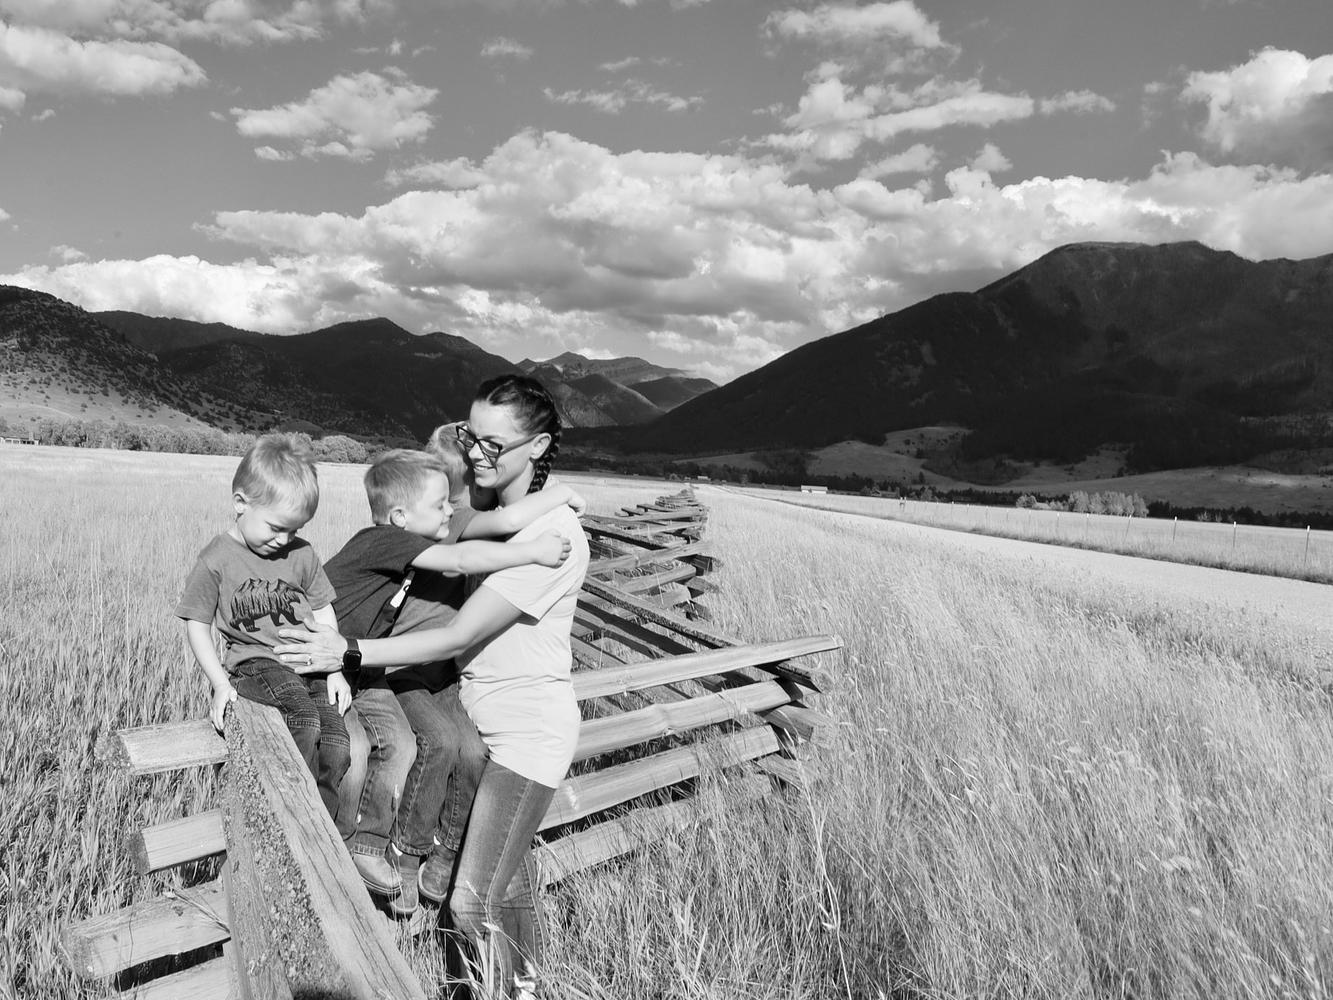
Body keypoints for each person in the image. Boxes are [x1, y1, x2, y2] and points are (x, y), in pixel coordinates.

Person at [276, 374, 589, 998]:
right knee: (506, 880)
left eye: (493, 443)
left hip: (523, 734)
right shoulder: (490, 519)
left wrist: (350, 651)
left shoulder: (548, 539)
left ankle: (511, 989)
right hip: (479, 720)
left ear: (537, 446)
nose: (477, 453)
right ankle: (519, 987)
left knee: (472, 901)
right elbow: (430, 530)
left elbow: (455, 636)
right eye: (472, 436)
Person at [325, 447, 581, 914]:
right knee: (386, 745)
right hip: (341, 662)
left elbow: (492, 529)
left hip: (365, 665)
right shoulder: (389, 540)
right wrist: (536, 546)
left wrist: (556, 496)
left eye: (451, 500)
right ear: (401, 515)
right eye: (440, 503)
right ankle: (369, 848)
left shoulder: (416, 533)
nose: (450, 511)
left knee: (467, 749)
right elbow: (465, 557)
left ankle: (433, 848)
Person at [175, 432, 352, 819]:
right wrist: (220, 683)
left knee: (337, 742)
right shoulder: (217, 558)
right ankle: (284, 815)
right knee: (303, 720)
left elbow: (323, 611)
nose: (284, 539)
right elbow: (197, 625)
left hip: (309, 662)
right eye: (275, 527)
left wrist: (334, 668)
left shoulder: (302, 554)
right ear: (241, 503)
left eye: (295, 530)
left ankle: (321, 825)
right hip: (258, 664)